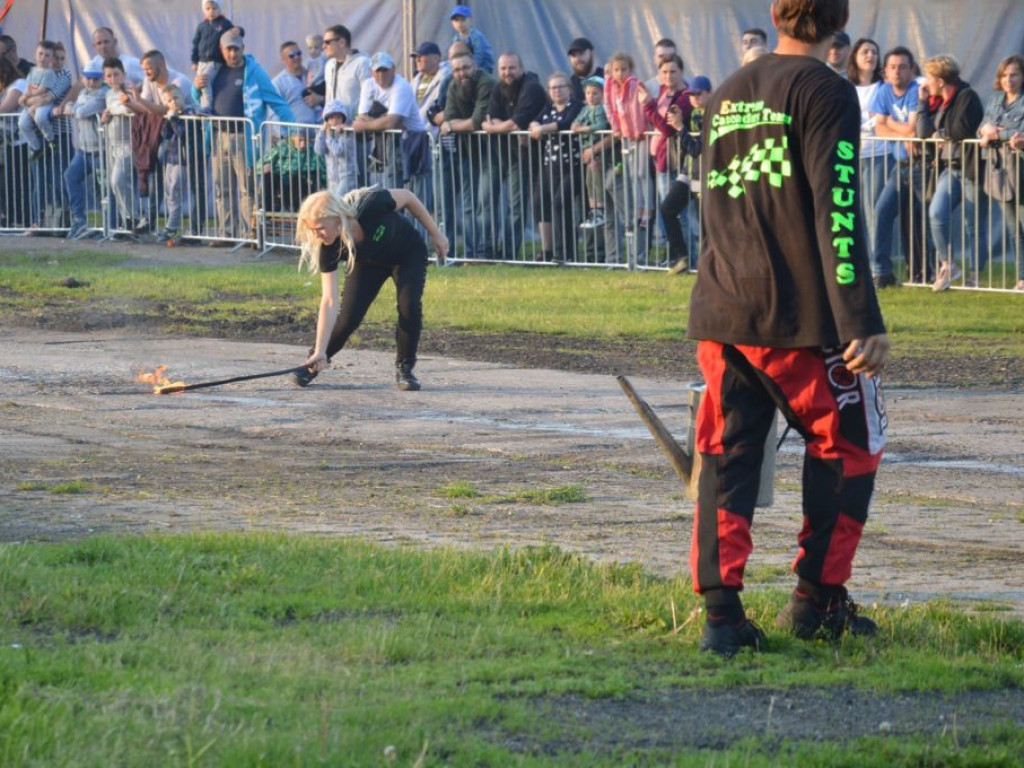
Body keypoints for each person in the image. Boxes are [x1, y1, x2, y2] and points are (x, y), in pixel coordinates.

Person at [689, 0, 888, 657]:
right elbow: (840, 206)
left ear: (775, 14)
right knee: (851, 440)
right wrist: (861, 318)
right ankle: (818, 598)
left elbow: (716, 203)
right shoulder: (827, 90)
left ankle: (722, 616)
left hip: (722, 307)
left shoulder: (727, 91)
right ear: (840, 18)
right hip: (794, 315)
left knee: (728, 454)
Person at [292, 187, 449, 391]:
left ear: (338, 218)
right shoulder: (329, 247)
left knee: (408, 306)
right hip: (369, 264)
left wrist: (436, 234)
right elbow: (329, 300)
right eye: (312, 230)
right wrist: (320, 349)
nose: (317, 235)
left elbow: (409, 197)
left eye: (320, 228)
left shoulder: (372, 204)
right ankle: (314, 361)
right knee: (348, 318)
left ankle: (405, 368)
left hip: (407, 255)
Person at [192, 27, 296, 243]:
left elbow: (277, 102)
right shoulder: (214, 70)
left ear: (243, 48)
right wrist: (195, 88)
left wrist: (292, 130)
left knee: (247, 189)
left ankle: (251, 234)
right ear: (221, 50)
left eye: (236, 49)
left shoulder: (254, 71)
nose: (232, 53)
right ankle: (226, 234)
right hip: (219, 135)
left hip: (244, 138)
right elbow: (199, 99)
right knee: (223, 188)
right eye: (228, 49)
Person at [916, 54, 985, 290]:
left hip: (970, 169)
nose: (926, 82)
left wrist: (941, 134)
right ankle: (949, 265)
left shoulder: (967, 96)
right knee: (936, 213)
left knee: (972, 224)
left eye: (929, 78)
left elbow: (962, 129)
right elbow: (923, 131)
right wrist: (923, 103)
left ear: (941, 81)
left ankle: (975, 275)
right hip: (950, 169)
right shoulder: (940, 103)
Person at [482, 52, 547, 260]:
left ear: (521, 68)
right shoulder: (498, 88)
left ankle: (508, 253)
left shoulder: (532, 87)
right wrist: (499, 126)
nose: (507, 73)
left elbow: (516, 123)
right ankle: (487, 251)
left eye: (511, 68)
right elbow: (488, 118)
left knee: (516, 206)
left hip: (522, 157)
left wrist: (496, 127)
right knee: (485, 201)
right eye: (503, 68)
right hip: (499, 153)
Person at [869, 46, 925, 288]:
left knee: (921, 220)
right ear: (885, 71)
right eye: (892, 67)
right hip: (900, 165)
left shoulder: (916, 90)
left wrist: (891, 123)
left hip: (923, 165)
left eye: (903, 67)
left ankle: (926, 273)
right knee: (882, 211)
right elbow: (878, 128)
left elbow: (914, 128)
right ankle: (882, 271)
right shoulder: (882, 92)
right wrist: (902, 135)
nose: (897, 72)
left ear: (911, 70)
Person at [439, 49, 498, 259]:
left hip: (492, 152)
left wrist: (455, 125)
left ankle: (488, 251)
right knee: (468, 205)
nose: (462, 73)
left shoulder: (486, 82)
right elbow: (447, 119)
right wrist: (457, 124)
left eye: (465, 67)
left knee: (485, 203)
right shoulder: (453, 85)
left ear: (475, 66)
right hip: (467, 152)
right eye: (456, 69)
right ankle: (472, 253)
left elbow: (476, 121)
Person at [638, 53, 692, 267]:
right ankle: (676, 257)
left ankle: (689, 257)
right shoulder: (661, 92)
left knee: (679, 213)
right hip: (661, 160)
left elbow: (667, 129)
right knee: (666, 212)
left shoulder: (686, 97)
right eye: (664, 72)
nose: (668, 76)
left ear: (681, 72)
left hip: (678, 162)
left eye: (673, 71)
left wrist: (649, 106)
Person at [977, 55, 1024, 292]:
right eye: (1005, 75)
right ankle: (1022, 278)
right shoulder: (995, 99)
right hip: (1000, 172)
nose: (1009, 80)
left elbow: (1020, 133)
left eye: (1014, 74)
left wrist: (995, 134)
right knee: (1014, 228)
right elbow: (981, 128)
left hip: (1021, 169)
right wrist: (993, 132)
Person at [353, 52, 430, 191]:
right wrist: (384, 122)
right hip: (388, 142)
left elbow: (391, 122)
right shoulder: (368, 85)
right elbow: (362, 115)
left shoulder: (402, 86)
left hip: (413, 142)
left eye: (385, 70)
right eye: (378, 71)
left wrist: (366, 126)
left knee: (417, 193)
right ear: (371, 72)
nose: (381, 75)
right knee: (389, 188)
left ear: (393, 69)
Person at [528, 71, 583, 263]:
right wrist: (536, 125)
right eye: (553, 87)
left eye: (561, 86)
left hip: (573, 165)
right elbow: (535, 121)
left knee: (561, 203)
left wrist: (543, 129)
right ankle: (549, 251)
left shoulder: (576, 106)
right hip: (550, 164)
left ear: (569, 89)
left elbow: (567, 123)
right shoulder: (549, 108)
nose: (557, 91)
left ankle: (567, 252)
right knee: (540, 202)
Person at [659, 74, 710, 273]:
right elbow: (672, 132)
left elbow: (697, 149)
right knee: (667, 209)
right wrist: (679, 120)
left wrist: (681, 127)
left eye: (699, 94)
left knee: (705, 222)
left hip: (705, 175)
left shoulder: (713, 115)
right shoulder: (694, 114)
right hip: (688, 172)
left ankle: (710, 265)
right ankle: (681, 257)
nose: (695, 98)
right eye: (691, 95)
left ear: (709, 93)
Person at [604, 51, 653, 256]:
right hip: (626, 134)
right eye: (616, 70)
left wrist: (638, 130)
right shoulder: (610, 87)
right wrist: (617, 129)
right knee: (632, 175)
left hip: (640, 134)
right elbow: (611, 109)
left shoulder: (635, 83)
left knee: (642, 172)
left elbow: (637, 107)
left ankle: (647, 209)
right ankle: (639, 208)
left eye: (624, 69)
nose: (620, 73)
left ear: (630, 69)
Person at [63, 61, 109, 240]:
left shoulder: (102, 94)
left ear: (101, 79)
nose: (90, 82)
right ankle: (79, 219)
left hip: (100, 151)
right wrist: (73, 108)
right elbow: (76, 109)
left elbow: (81, 112)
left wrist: (71, 108)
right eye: (87, 78)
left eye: (95, 79)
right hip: (83, 150)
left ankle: (110, 225)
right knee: (70, 176)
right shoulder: (82, 92)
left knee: (103, 190)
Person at [847, 38, 886, 247]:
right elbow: (847, 118)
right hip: (852, 154)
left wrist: (869, 120)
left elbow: (882, 119)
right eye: (865, 52)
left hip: (878, 154)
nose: (870, 56)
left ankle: (874, 262)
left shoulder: (883, 87)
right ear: (855, 56)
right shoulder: (846, 86)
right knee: (853, 209)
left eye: (874, 51)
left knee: (873, 209)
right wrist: (868, 119)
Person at [156, 84, 194, 243]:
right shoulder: (171, 114)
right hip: (171, 158)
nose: (174, 103)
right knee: (169, 192)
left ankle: (172, 225)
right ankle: (172, 223)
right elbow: (165, 135)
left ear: (182, 97)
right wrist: (167, 120)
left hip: (183, 160)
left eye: (176, 98)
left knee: (175, 191)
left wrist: (173, 119)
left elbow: (182, 133)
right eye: (169, 100)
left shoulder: (189, 113)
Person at [573, 75, 612, 231]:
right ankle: (593, 210)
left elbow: (601, 124)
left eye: (595, 93)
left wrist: (583, 129)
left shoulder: (602, 108)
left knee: (597, 179)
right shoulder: (585, 109)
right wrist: (575, 125)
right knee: (589, 181)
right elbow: (577, 120)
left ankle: (601, 210)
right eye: (588, 93)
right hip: (586, 148)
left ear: (602, 94)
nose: (591, 96)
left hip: (598, 148)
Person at [0, 57, 31, 229]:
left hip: (21, 142)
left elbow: (6, 108)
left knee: (18, 182)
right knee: (6, 182)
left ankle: (21, 220)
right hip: (8, 144)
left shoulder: (18, 84)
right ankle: (8, 217)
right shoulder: (5, 88)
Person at [17, 41, 59, 161]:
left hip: (44, 102)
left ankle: (50, 138)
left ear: (51, 58)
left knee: (40, 118)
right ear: (34, 55)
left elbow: (42, 89)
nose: (43, 58)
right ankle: (36, 147)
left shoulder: (49, 73)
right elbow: (28, 86)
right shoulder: (32, 71)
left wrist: (28, 96)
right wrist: (24, 96)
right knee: (22, 123)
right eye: (40, 54)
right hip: (31, 100)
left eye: (47, 55)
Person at [191, 0, 234, 112]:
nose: (211, 11)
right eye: (208, 9)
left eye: (214, 8)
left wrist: (239, 30)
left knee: (205, 81)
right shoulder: (201, 26)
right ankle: (200, 107)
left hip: (214, 61)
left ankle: (207, 108)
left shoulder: (224, 23)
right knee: (199, 85)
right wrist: (194, 61)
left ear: (219, 9)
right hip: (201, 61)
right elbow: (195, 44)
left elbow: (236, 31)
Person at [315, 99, 357, 195]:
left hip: (347, 176)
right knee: (334, 206)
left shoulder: (347, 132)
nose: (335, 121)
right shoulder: (326, 132)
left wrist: (329, 137)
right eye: (331, 118)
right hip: (332, 176)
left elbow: (339, 151)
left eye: (338, 117)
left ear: (343, 118)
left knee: (339, 201)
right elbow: (319, 150)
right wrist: (322, 132)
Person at [273, 41, 319, 125]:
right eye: (292, 55)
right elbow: (274, 114)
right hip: (293, 135)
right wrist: (285, 136)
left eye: (298, 53)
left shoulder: (313, 75)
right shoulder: (278, 83)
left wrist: (319, 99)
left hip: (317, 133)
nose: (296, 57)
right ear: (283, 60)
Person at [450, 5, 494, 74]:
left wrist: (472, 68)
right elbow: (456, 55)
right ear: (452, 23)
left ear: (470, 20)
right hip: (467, 66)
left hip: (484, 66)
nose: (460, 23)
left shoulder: (476, 36)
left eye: (463, 19)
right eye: (456, 20)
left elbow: (479, 55)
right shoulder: (456, 38)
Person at [567, 37, 604, 103]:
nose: (577, 59)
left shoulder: (607, 77)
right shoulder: (569, 85)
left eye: (581, 53)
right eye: (573, 56)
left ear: (592, 53)